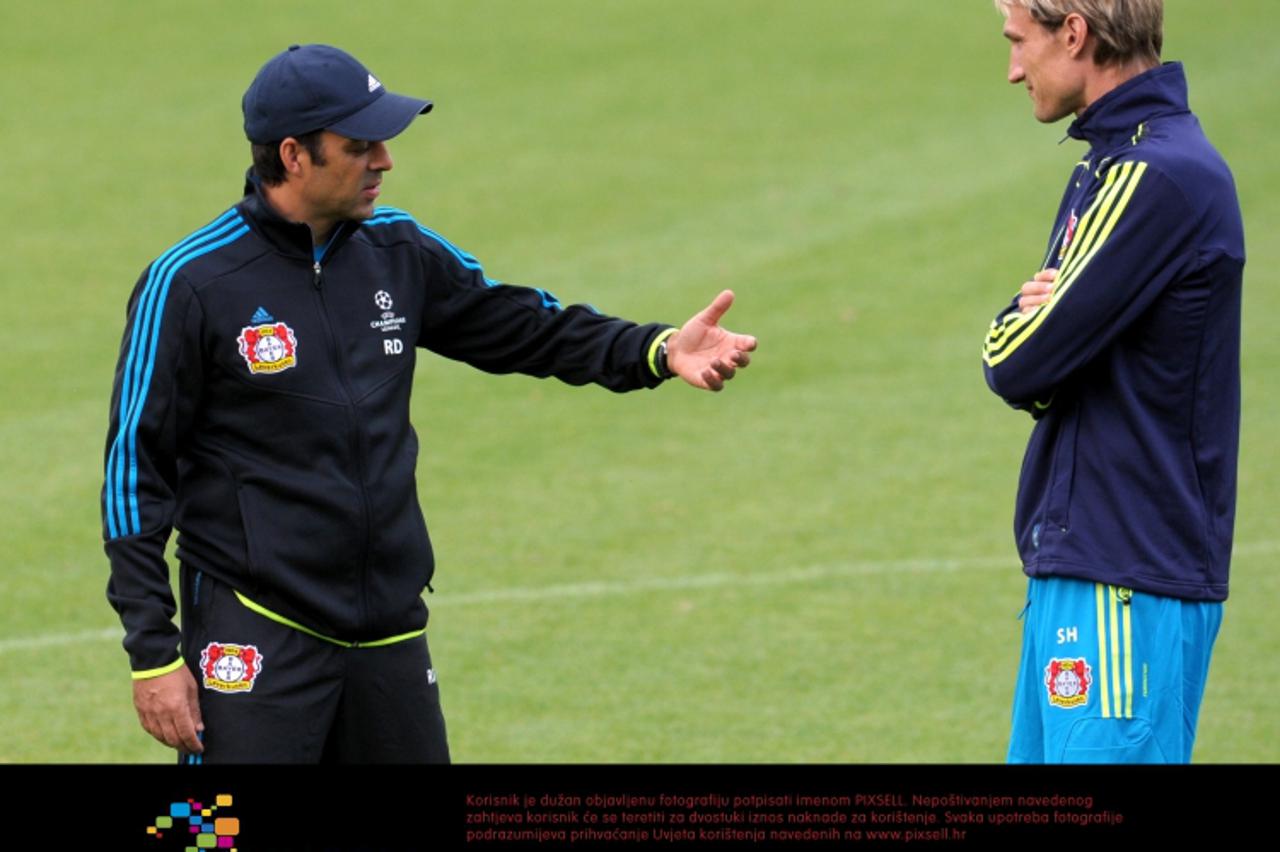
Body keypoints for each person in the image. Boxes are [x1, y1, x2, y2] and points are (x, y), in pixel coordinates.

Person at [102, 44, 757, 763]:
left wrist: (657, 350)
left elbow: (524, 326)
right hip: (255, 627)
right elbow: (135, 476)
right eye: (360, 145)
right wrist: (153, 653)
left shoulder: (398, 250)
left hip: (387, 628)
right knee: (212, 833)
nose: (384, 160)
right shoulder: (190, 283)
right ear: (293, 155)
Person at [983, 0, 1243, 762]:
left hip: (1122, 577)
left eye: (1018, 42)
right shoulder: (1109, 165)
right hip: (1091, 565)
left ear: (1073, 32)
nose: (1012, 69)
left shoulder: (1153, 175)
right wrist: (1038, 330)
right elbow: (1046, 358)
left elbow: (1017, 360)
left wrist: (1023, 327)